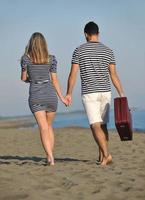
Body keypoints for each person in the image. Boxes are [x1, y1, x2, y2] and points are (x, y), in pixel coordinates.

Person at [66, 22, 125, 166]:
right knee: (103, 125)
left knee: (95, 125)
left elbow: (72, 75)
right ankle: (102, 157)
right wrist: (121, 93)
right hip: (106, 92)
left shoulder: (78, 51)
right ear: (98, 33)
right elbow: (114, 75)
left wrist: (69, 93)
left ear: (86, 34)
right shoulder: (108, 51)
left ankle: (106, 155)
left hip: (90, 93)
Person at [20, 32, 68, 166]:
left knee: (43, 128)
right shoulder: (51, 59)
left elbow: (23, 78)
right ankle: (50, 155)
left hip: (36, 95)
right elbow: (55, 80)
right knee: (49, 126)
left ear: (31, 44)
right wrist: (62, 98)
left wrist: (32, 78)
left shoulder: (26, 59)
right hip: (51, 95)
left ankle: (50, 157)